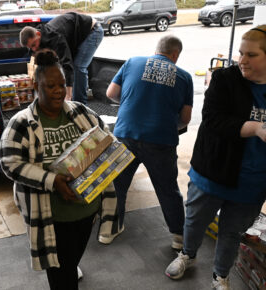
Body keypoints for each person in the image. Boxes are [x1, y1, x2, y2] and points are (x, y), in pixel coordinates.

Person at [0, 49, 120, 290]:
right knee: (62, 278)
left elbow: (109, 144)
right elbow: (9, 162)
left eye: (62, 84)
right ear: (36, 84)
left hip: (86, 213)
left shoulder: (82, 113)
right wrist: (52, 180)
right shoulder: (22, 123)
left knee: (69, 263)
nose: (58, 91)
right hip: (51, 218)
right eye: (50, 85)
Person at [165, 25, 266, 290]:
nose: (242, 60)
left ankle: (220, 275)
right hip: (213, 171)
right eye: (241, 53)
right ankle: (187, 253)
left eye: (252, 55)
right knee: (196, 218)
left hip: (252, 181)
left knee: (232, 232)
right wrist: (255, 128)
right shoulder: (225, 80)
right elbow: (212, 120)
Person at [104, 35, 193, 249]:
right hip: (161, 141)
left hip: (126, 134)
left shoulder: (133, 61)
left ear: (157, 49)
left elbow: (111, 94)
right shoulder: (184, 76)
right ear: (175, 55)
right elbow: (186, 119)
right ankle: (179, 237)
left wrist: (129, 104)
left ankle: (109, 231)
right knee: (167, 189)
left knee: (117, 185)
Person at [19, 12, 104, 104]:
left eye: (34, 45)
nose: (34, 49)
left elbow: (67, 64)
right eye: (30, 47)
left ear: (38, 34)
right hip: (75, 34)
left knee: (78, 67)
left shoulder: (56, 38)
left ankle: (80, 105)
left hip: (92, 31)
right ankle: (75, 97)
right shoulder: (37, 40)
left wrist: (67, 96)